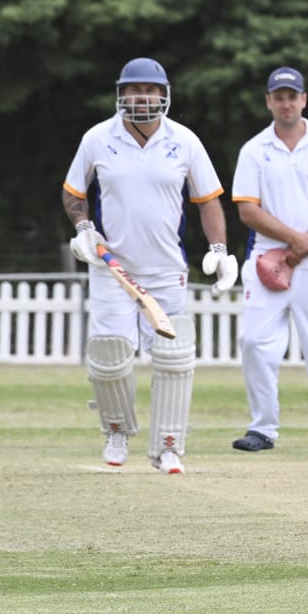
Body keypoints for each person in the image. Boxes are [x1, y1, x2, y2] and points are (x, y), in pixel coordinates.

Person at [62, 57, 238, 474]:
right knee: (108, 357)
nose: (142, 96)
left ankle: (169, 446)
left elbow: (208, 198)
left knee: (174, 357)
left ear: (163, 94)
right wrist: (84, 227)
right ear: (121, 95)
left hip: (165, 270)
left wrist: (219, 249)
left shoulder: (186, 141)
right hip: (112, 267)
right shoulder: (97, 139)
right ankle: (117, 431)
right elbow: (73, 192)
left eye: (150, 89)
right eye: (133, 90)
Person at [230, 66, 308, 455]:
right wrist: (294, 241)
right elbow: (247, 211)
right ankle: (263, 428)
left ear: (303, 100)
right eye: (279, 96)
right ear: (269, 101)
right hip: (266, 255)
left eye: (293, 96)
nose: (286, 103)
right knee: (254, 342)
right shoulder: (254, 150)